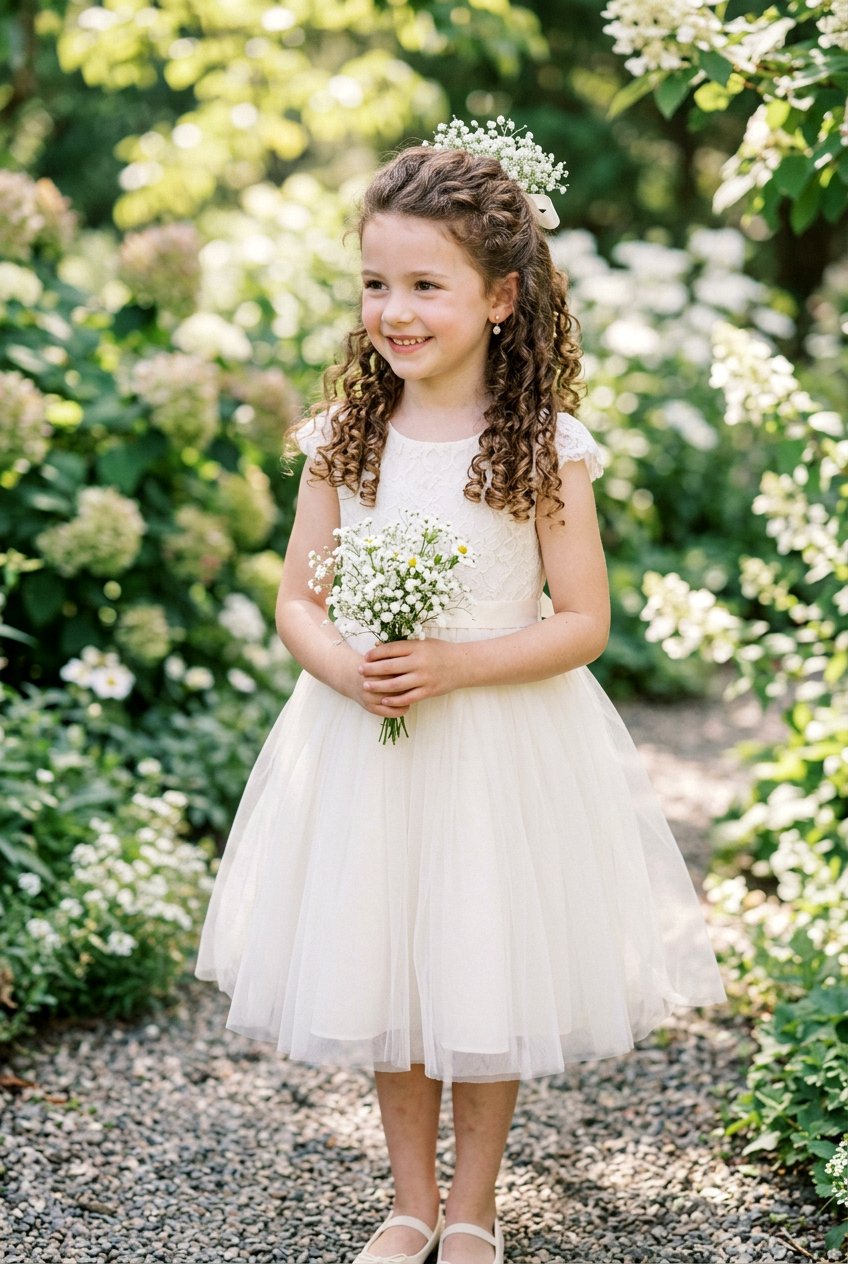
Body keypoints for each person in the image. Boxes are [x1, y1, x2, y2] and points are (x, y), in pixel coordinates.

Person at [195, 127, 726, 1264]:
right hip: (366, 739)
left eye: (425, 285)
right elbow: (296, 598)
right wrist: (345, 666)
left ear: (499, 297)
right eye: (375, 283)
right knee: (388, 959)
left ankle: (474, 1207)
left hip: (494, 740)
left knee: (481, 963)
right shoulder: (345, 437)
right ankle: (408, 1203)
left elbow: (582, 621)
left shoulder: (540, 443)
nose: (394, 310)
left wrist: (454, 664)